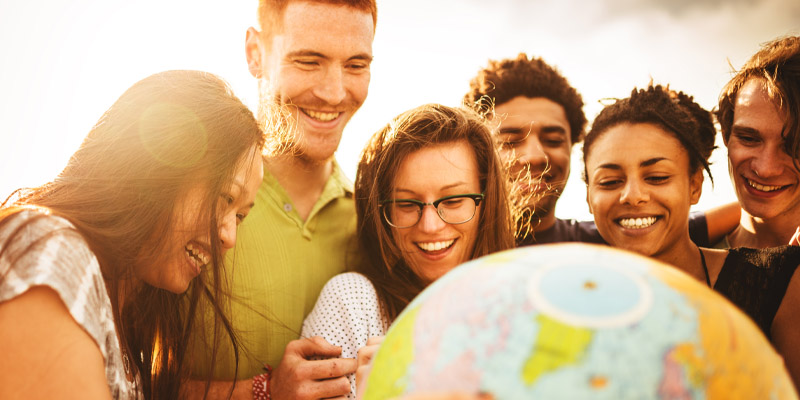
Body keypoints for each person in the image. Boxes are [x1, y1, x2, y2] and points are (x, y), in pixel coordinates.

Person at [0, 70, 264, 399]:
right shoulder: (52, 252)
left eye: (240, 216)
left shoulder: (130, 330)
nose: (229, 236)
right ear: (158, 171)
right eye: (225, 198)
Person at [185, 1, 377, 399]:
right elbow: (128, 376)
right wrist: (265, 391)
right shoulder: (193, 199)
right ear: (255, 53)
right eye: (309, 61)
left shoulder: (374, 220)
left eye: (356, 65)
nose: (334, 92)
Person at [583, 84, 800, 388]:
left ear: (694, 184)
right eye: (609, 181)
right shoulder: (570, 303)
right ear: (589, 194)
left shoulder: (778, 282)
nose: (632, 196)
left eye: (657, 177)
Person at [301, 104, 516, 398]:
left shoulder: (524, 308)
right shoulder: (353, 303)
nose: (430, 225)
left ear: (486, 202)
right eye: (406, 204)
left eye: (453, 201)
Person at [463, 53, 739, 246]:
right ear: (477, 153)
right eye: (509, 141)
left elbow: (738, 216)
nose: (536, 156)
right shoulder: (445, 247)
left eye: (553, 139)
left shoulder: (610, 242)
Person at [716, 35, 800, 248]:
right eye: (748, 139)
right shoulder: (675, 262)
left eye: (794, 147)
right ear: (726, 135)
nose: (765, 169)